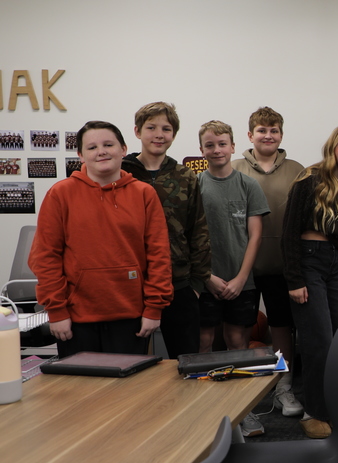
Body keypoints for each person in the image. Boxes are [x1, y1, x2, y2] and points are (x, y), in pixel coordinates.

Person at [29, 121, 173, 356]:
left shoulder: (144, 194)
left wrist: (154, 308)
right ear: (81, 155)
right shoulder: (60, 194)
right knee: (81, 391)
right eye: (92, 147)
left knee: (128, 390)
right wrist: (56, 311)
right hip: (75, 319)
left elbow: (159, 255)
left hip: (132, 317)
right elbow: (45, 257)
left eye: (108, 144)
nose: (102, 151)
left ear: (124, 149)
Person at [282, 124, 338, 438]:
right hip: (309, 261)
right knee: (319, 342)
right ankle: (313, 412)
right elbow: (289, 231)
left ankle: (334, 410)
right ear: (332, 146)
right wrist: (294, 279)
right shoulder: (309, 178)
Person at [231, 106, 305, 418]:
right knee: (240, 331)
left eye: (274, 131)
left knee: (281, 328)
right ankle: (242, 399)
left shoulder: (298, 170)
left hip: (280, 265)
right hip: (241, 268)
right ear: (250, 135)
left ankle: (284, 388)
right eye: (262, 130)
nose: (268, 135)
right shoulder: (234, 168)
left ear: (281, 135)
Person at [121, 102, 210, 359]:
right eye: (151, 127)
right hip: (131, 283)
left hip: (179, 283)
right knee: (131, 361)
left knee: (186, 359)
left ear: (173, 134)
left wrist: (196, 283)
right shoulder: (121, 172)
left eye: (166, 128)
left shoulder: (185, 176)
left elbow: (199, 230)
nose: (159, 134)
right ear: (137, 132)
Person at [197, 120, 270, 437]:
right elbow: (188, 238)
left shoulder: (248, 186)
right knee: (204, 344)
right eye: (210, 145)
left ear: (232, 145)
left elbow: (255, 238)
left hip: (243, 283)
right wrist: (208, 277)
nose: (217, 150)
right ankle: (204, 410)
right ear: (202, 149)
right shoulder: (195, 185)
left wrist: (241, 278)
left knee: (237, 344)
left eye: (222, 143)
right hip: (204, 282)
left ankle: (243, 413)